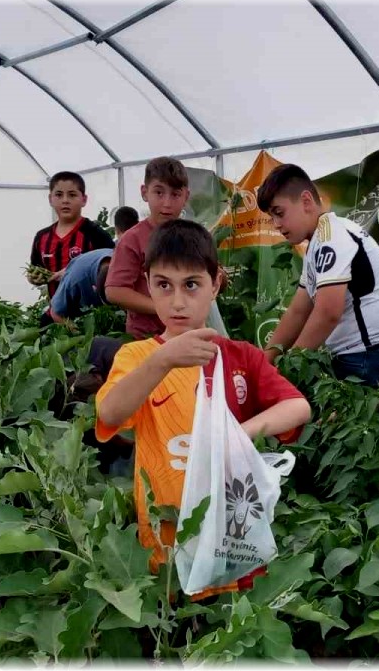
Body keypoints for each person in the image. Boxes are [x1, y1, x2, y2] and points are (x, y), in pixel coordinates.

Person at [94, 220, 312, 600]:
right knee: (172, 623)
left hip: (231, 532)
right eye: (164, 285)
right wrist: (163, 361)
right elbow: (110, 413)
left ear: (215, 284)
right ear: (148, 285)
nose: (178, 302)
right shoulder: (138, 357)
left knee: (227, 626)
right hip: (166, 536)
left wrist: (239, 434)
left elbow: (298, 407)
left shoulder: (240, 356)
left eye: (191, 285)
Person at [257, 164, 379, 386]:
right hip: (366, 354)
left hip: (377, 355)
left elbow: (328, 312)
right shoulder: (316, 243)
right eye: (272, 218)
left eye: (279, 213)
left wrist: (288, 368)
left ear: (306, 201)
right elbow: (299, 311)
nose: (276, 225)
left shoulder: (332, 237)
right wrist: (264, 361)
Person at [104, 158, 189, 340]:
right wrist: (162, 308)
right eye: (159, 192)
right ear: (145, 192)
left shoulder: (193, 236)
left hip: (187, 334)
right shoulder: (132, 239)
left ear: (186, 197)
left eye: (175, 194)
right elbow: (115, 290)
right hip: (145, 338)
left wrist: (218, 281)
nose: (166, 203)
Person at [29, 171, 116, 299]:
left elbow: (114, 267)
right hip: (55, 311)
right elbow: (35, 268)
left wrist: (75, 273)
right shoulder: (41, 237)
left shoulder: (95, 233)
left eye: (72, 195)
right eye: (59, 195)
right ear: (50, 199)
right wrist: (34, 278)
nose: (65, 200)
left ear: (84, 199)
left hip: (91, 312)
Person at [47, 248, 112, 325]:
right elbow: (55, 313)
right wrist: (77, 331)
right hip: (78, 272)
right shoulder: (74, 282)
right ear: (95, 288)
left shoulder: (124, 261)